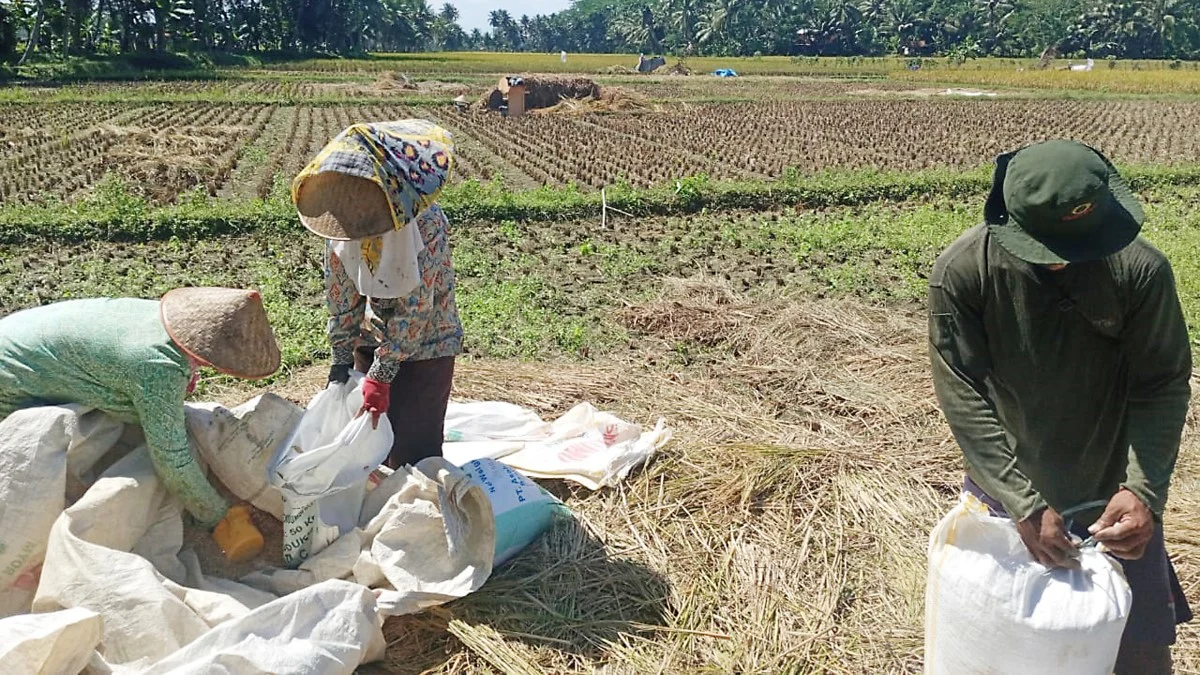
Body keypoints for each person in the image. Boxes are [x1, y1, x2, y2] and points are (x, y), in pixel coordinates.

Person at [928, 139, 1192, 674]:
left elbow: (1161, 383)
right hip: (1007, 498)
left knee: (1138, 654)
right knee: (1010, 647)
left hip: (1116, 501)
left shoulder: (1138, 272)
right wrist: (1023, 504)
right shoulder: (965, 273)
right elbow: (962, 389)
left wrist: (1142, 492)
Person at [0, 287, 282, 538]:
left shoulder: (161, 322)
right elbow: (171, 458)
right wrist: (217, 514)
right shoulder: (158, 366)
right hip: (10, 377)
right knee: (32, 464)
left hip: (14, 335)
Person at [291, 119, 462, 471]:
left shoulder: (425, 225)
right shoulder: (340, 223)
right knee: (369, 451)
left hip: (428, 344)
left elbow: (417, 308)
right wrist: (341, 360)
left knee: (414, 452)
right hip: (373, 339)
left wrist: (383, 375)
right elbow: (341, 297)